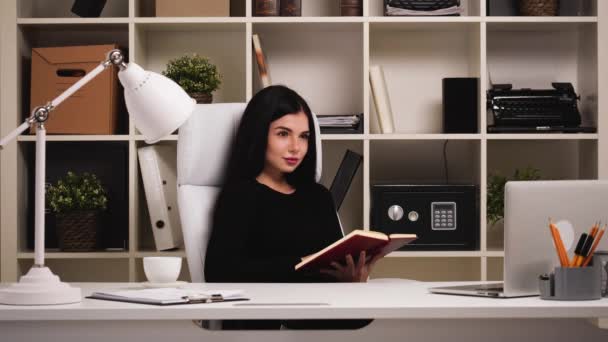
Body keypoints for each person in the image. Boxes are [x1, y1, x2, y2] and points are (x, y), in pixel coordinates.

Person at [204, 85, 378, 330]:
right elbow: (220, 272)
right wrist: (300, 263)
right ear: (258, 134)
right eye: (283, 134)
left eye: (304, 136)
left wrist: (352, 275)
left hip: (322, 313)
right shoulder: (240, 195)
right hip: (266, 321)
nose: (296, 147)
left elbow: (333, 262)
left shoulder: (318, 196)